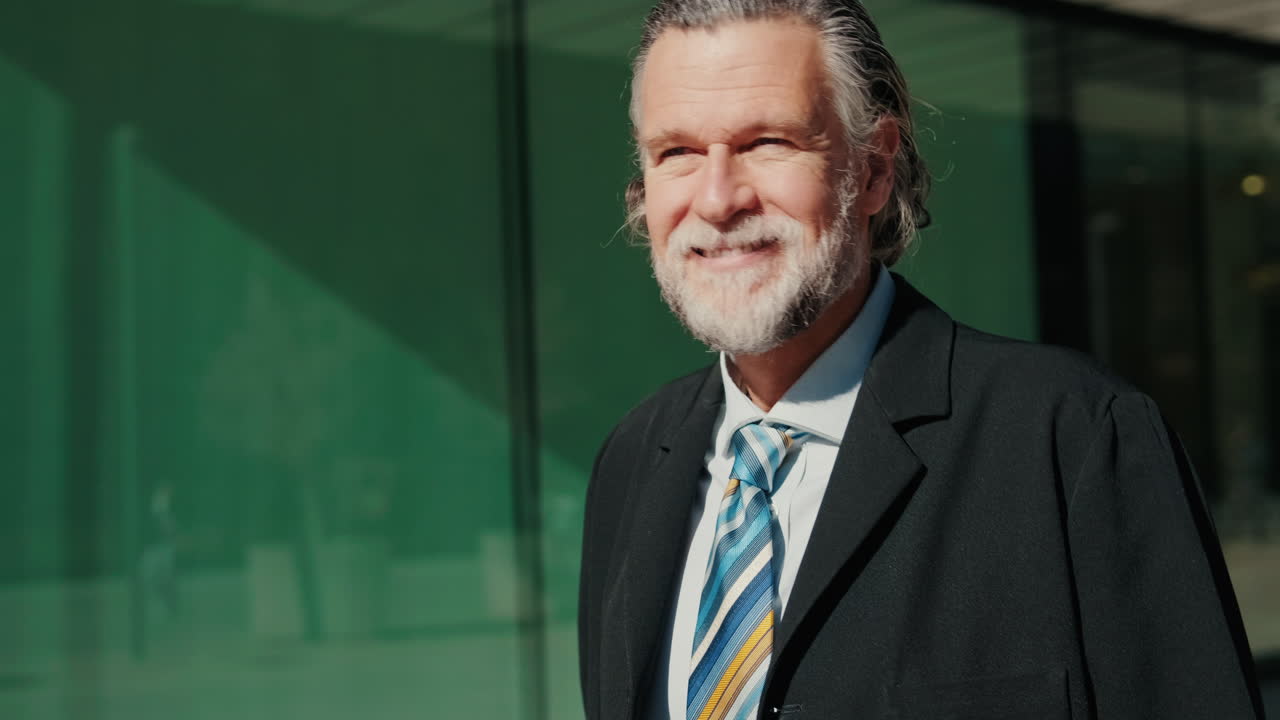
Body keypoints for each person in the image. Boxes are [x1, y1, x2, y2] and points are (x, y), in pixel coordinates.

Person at [577, 2, 1264, 719]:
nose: (717, 199)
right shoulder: (631, 465)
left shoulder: (1075, 439)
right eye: (676, 152)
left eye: (767, 142)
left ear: (874, 169)